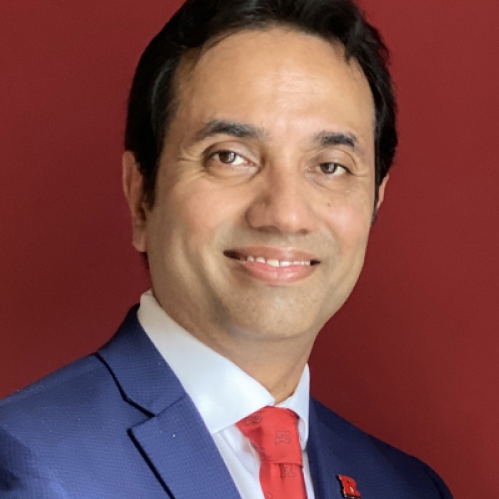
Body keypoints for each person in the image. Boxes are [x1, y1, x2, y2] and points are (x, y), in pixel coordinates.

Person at [0, 0, 453, 497]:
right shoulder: (26, 463)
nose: (285, 214)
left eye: (330, 166)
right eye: (230, 156)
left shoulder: (409, 487)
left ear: (374, 203)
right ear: (141, 197)